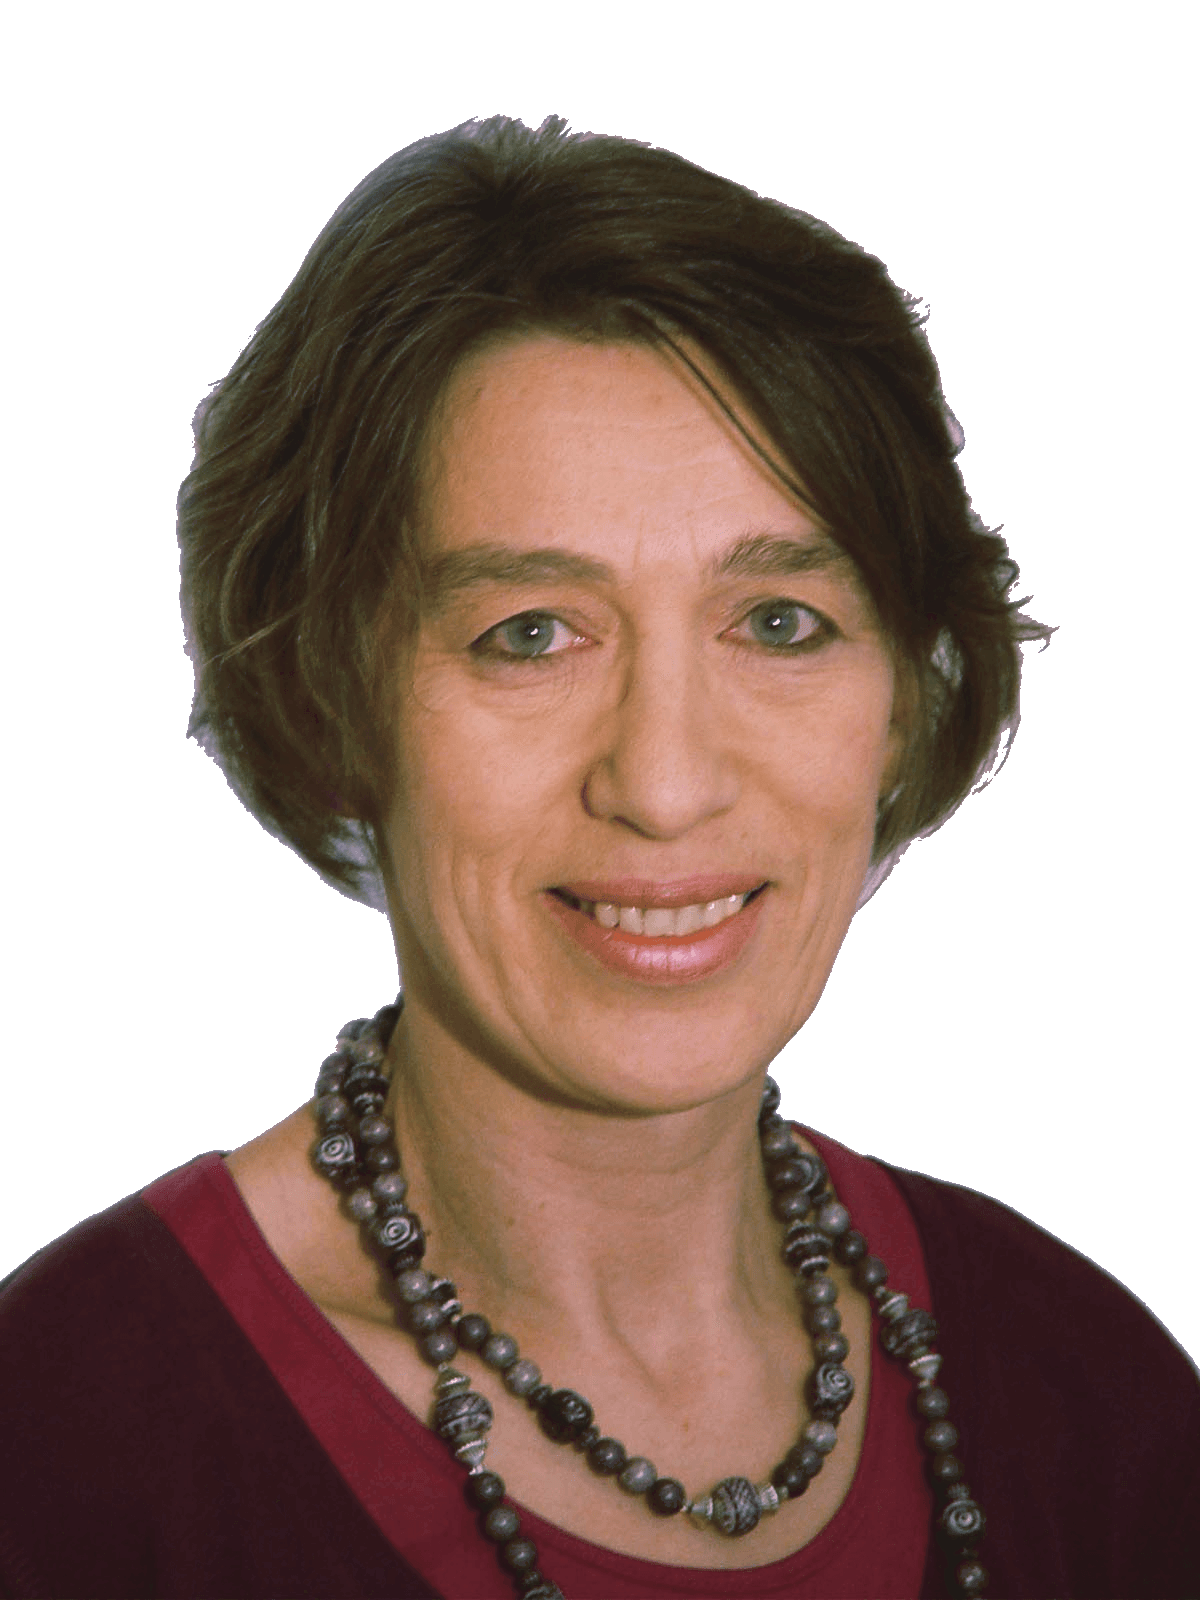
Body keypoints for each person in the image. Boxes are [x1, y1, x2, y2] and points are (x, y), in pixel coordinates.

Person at [1, 115, 1195, 1600]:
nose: (666, 784)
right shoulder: (70, 1447)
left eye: (780, 624)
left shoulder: (1085, 1400)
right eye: (530, 635)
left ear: (905, 694)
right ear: (329, 696)